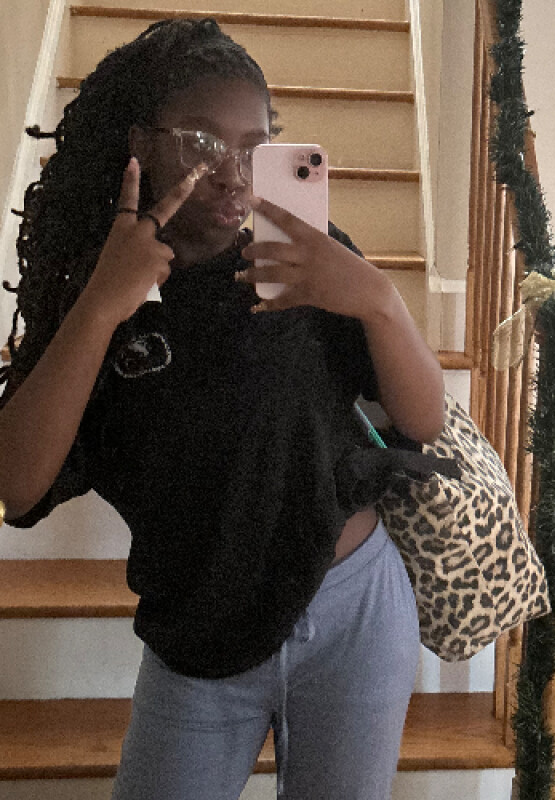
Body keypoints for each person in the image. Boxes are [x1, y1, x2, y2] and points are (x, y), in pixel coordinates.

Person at [0, 18, 445, 800]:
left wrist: (377, 299)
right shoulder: (98, 283)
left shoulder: (296, 252)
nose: (233, 175)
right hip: (198, 637)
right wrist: (102, 304)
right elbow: (18, 482)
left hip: (352, 609)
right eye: (202, 143)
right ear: (142, 144)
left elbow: (425, 420)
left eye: (254, 145)